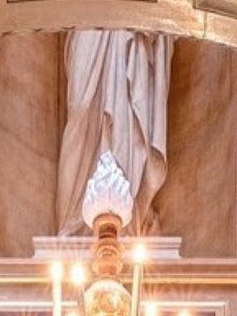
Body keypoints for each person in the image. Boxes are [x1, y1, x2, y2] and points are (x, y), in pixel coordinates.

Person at [55, 28, 173, 232]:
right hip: (86, 12)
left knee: (125, 115)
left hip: (129, 19)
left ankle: (125, 220)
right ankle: (73, 224)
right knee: (82, 110)